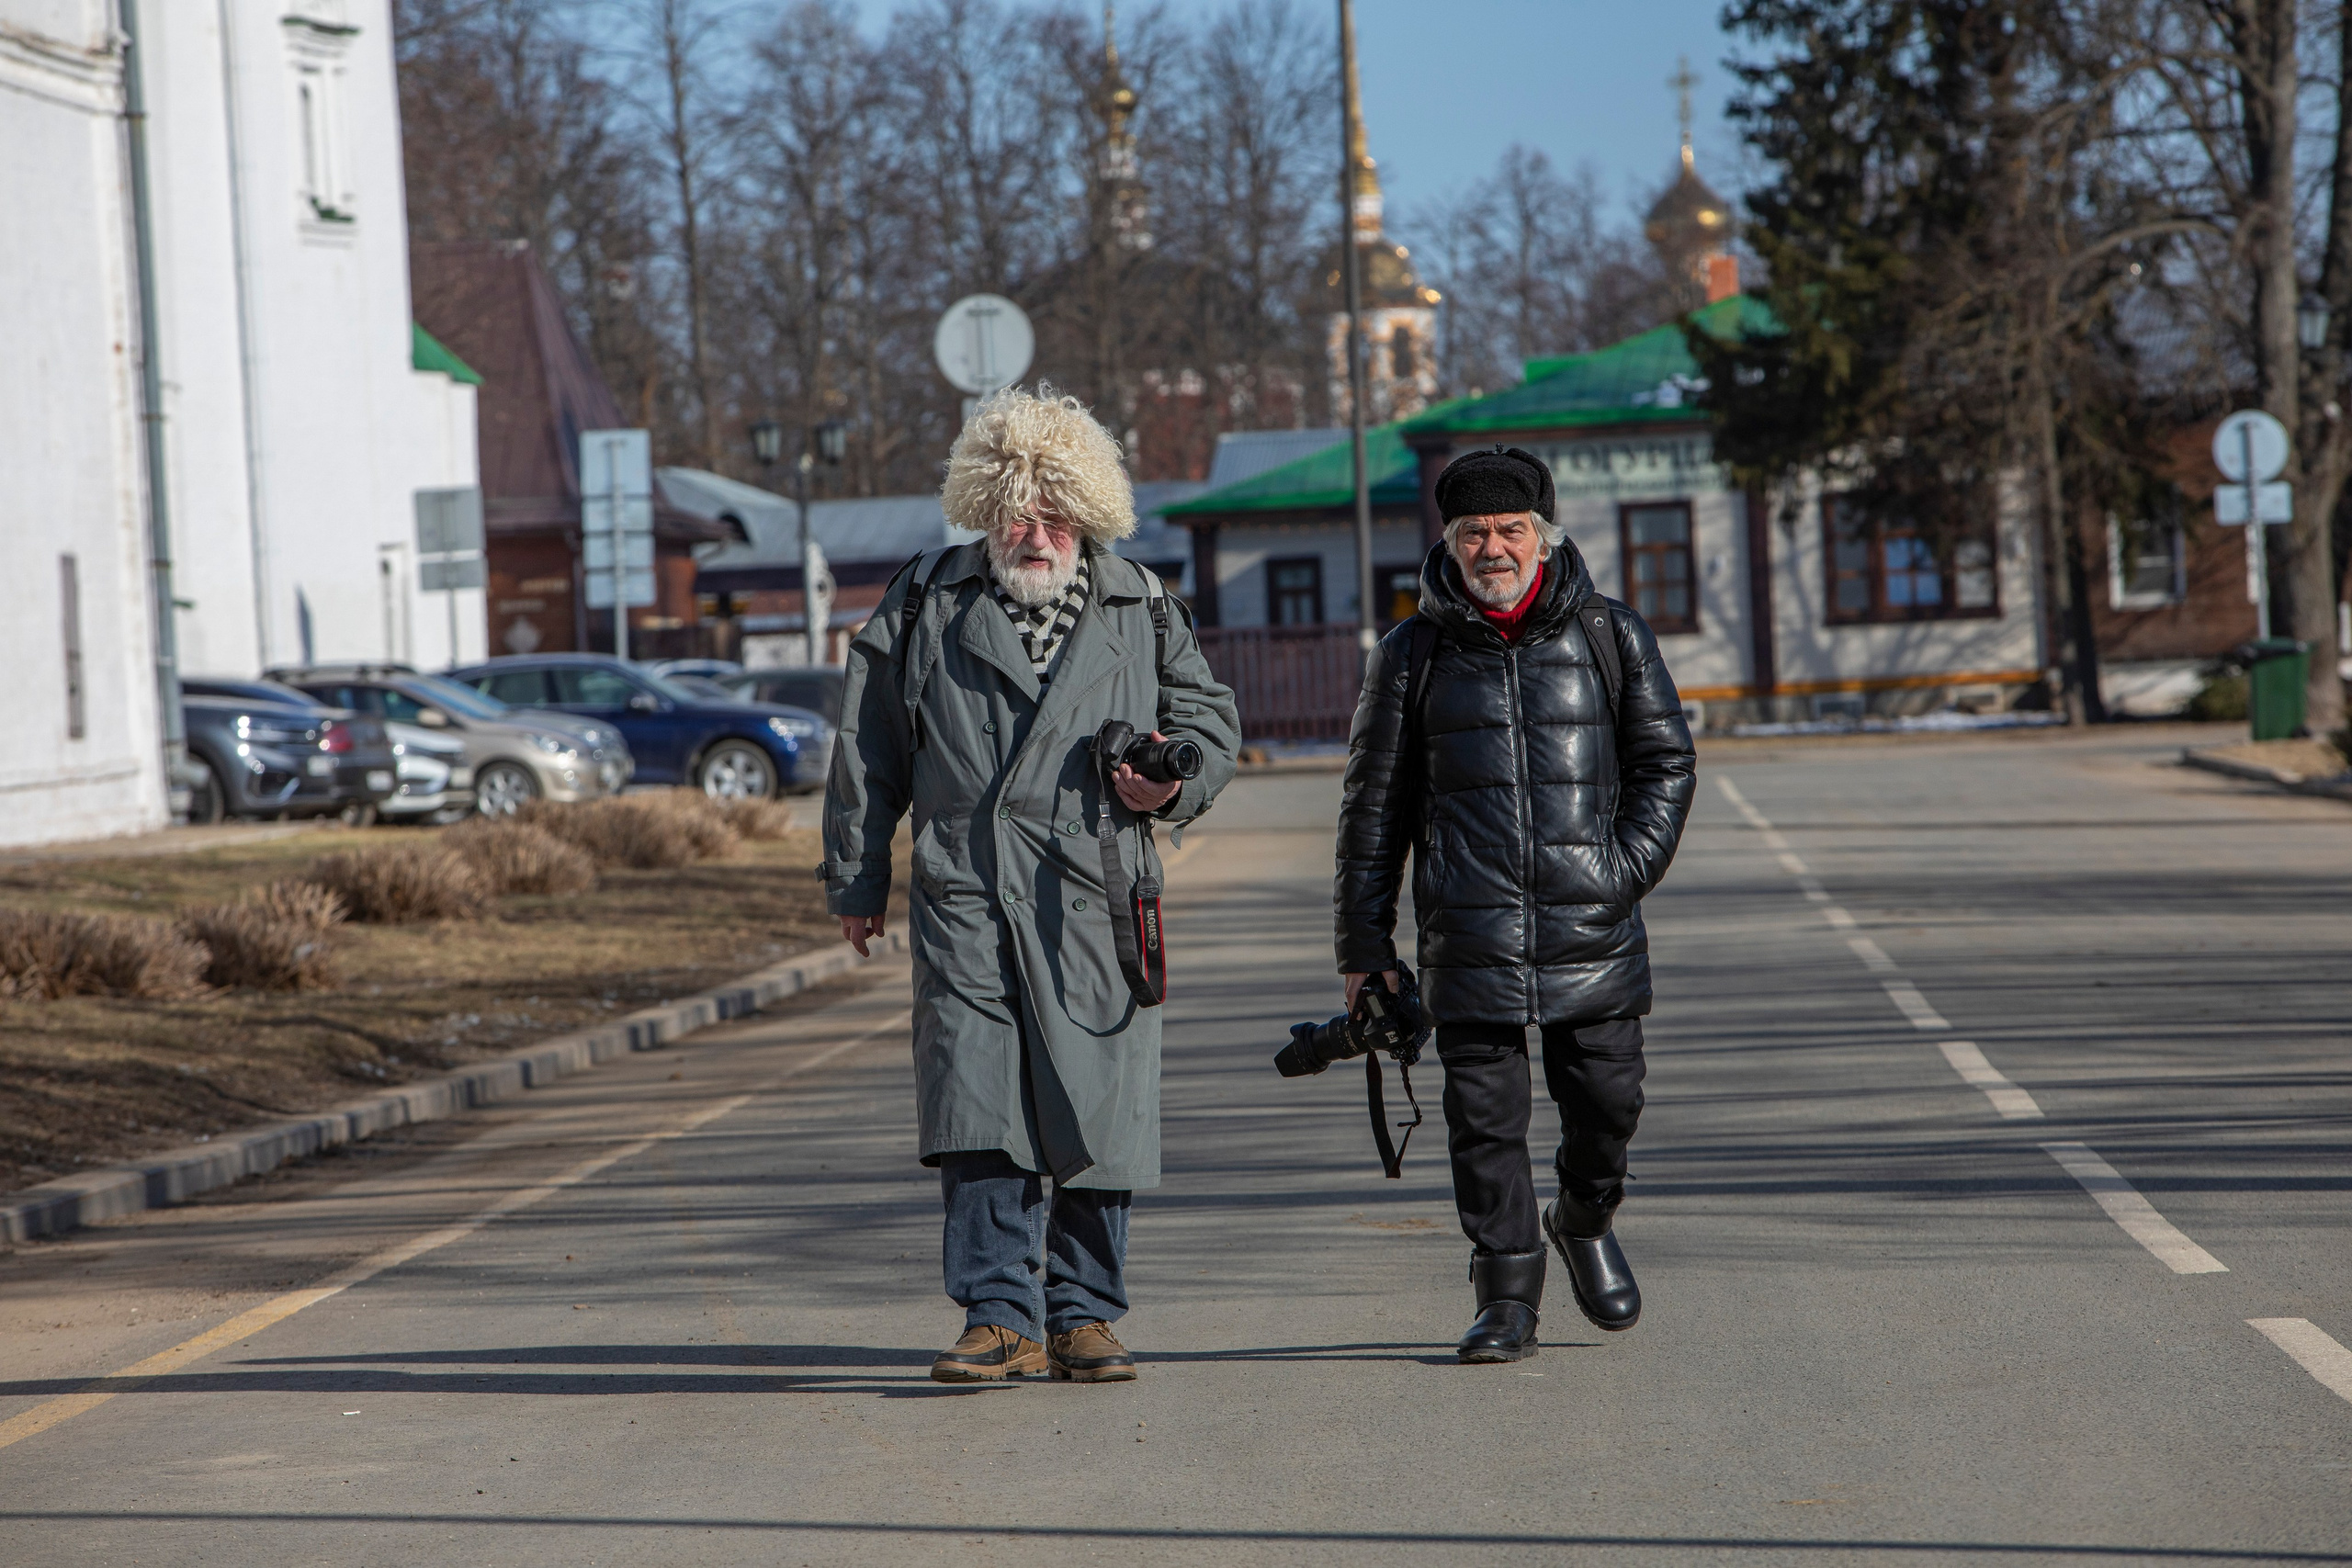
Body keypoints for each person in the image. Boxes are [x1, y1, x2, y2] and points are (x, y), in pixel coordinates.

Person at [821, 386, 1239, 1384]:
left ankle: (1085, 1314)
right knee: (979, 1109)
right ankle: (997, 1314)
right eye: (1016, 511)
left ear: (1087, 515)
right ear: (983, 507)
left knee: (1099, 1110)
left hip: (1095, 898)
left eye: (1055, 514)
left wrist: (1168, 782)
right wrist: (856, 873)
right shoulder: (926, 600)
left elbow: (1212, 728)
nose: (1035, 533)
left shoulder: (1140, 603)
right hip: (964, 894)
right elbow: (866, 745)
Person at [1334, 445, 1695, 1363]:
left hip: (1593, 924)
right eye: (1472, 533)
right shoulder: (1409, 655)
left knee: (1609, 1103)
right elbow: (1372, 808)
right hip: (1469, 929)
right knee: (1484, 1124)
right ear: (1449, 543)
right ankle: (1506, 1297)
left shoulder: (1611, 635)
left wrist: (1623, 868)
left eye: (1508, 530)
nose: (1491, 548)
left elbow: (1665, 762)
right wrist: (1363, 943)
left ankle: (1582, 1215)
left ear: (1542, 536)